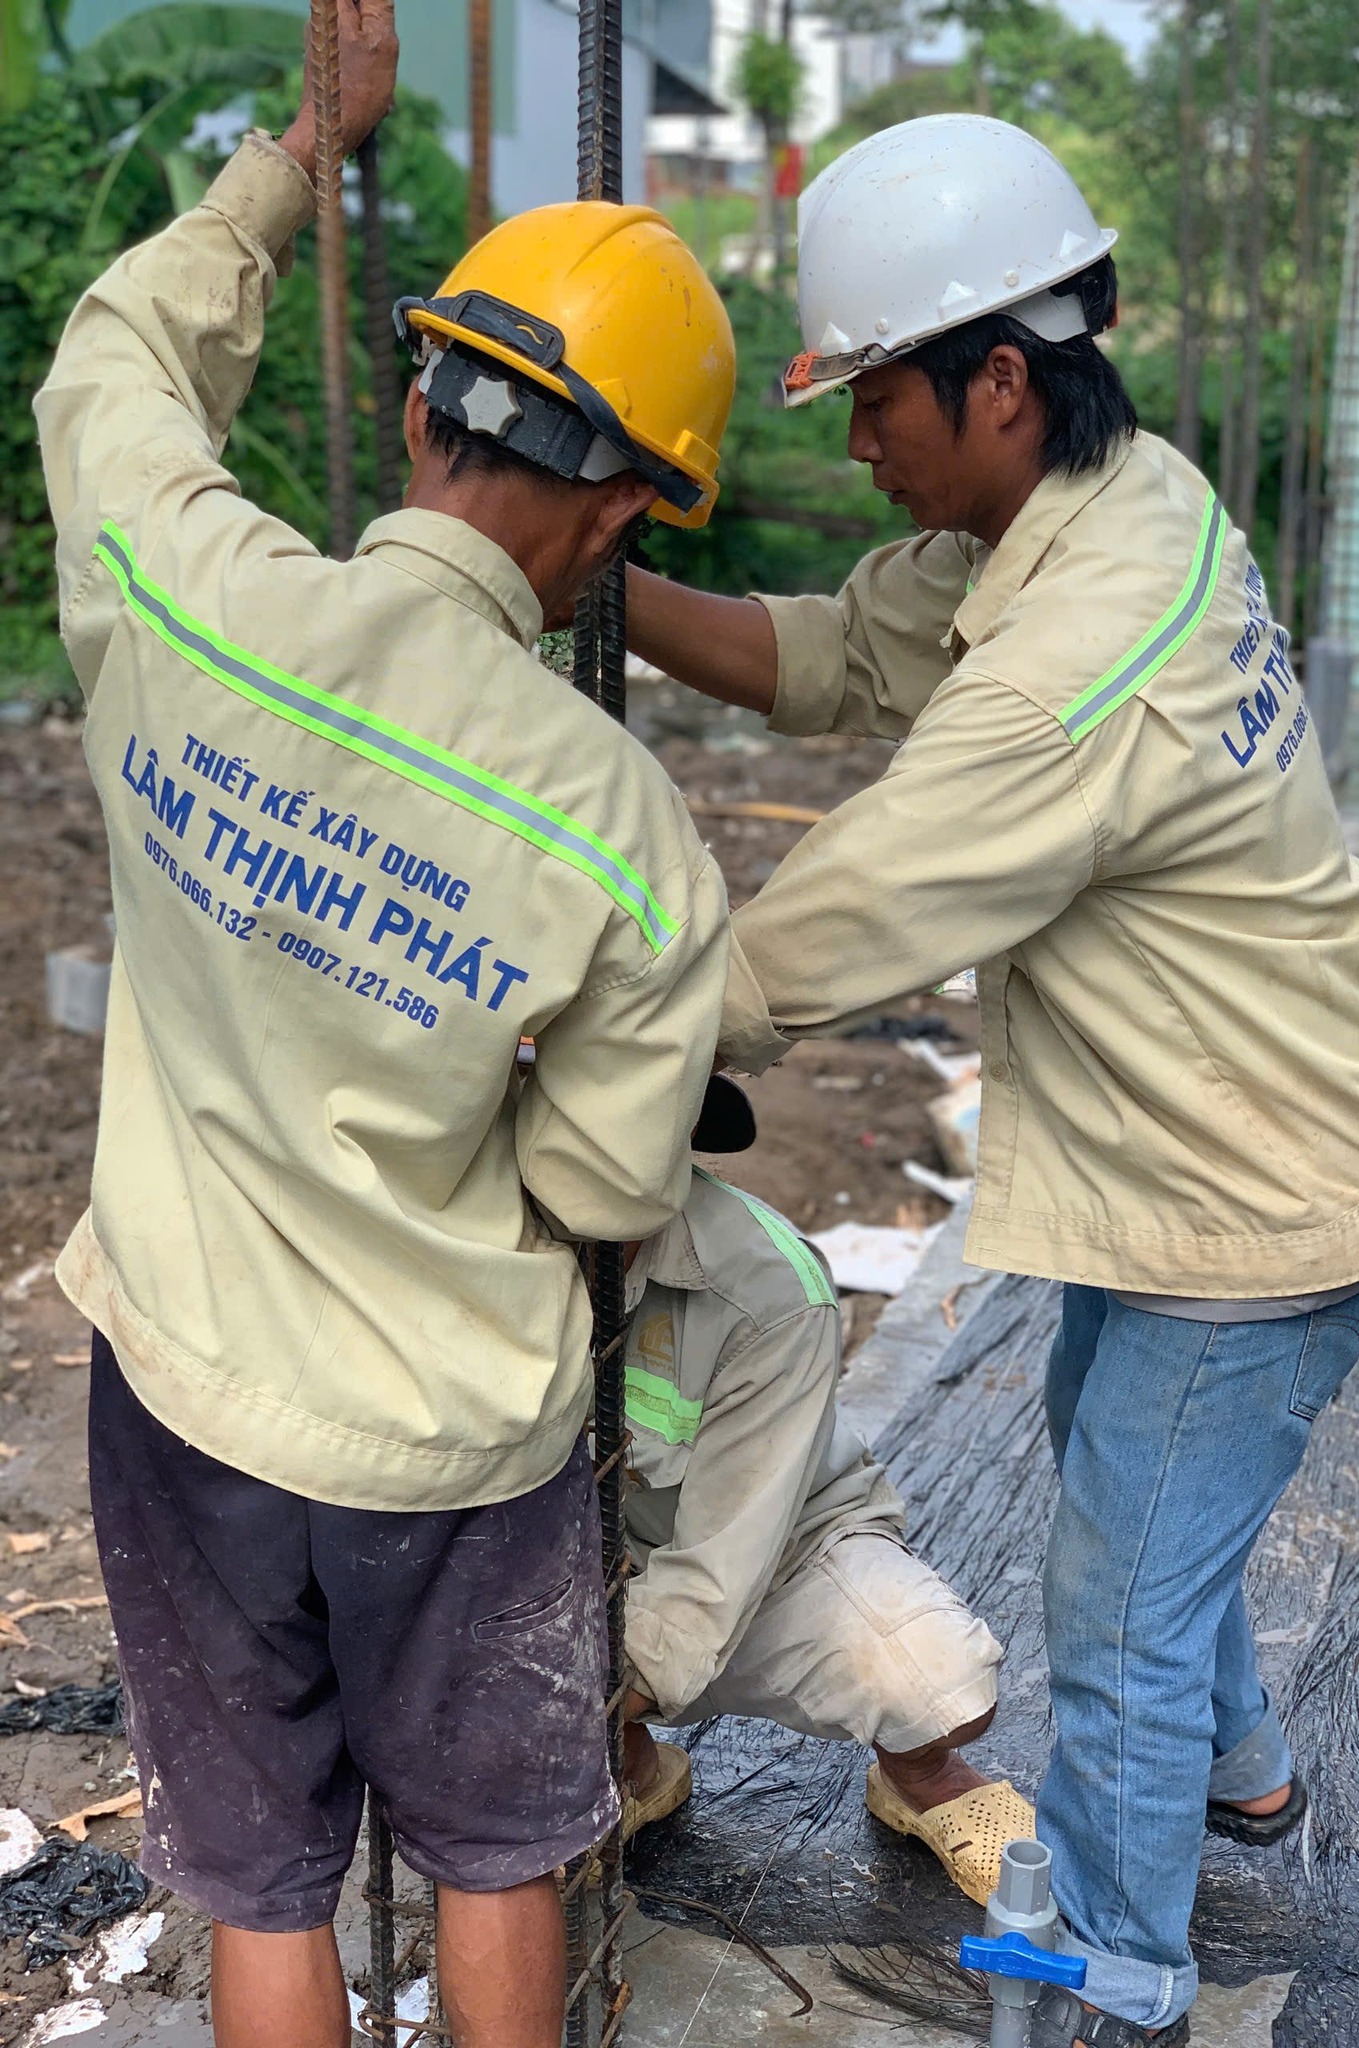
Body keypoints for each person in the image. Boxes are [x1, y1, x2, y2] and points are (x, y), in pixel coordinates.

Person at [624, 115, 1359, 2048]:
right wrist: (593, 590)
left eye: (874, 396)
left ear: (999, 378)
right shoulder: (1125, 502)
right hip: (1243, 1139)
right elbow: (836, 653)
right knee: (1110, 1447)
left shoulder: (1074, 669)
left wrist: (603, 1034)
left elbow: (839, 923)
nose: (855, 443)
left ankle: (1121, 1962)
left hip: (1254, 1206)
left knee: (1122, 1595)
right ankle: (1243, 1769)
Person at [34, 6, 735, 2045]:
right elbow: (600, 1185)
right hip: (453, 1434)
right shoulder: (627, 836)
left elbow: (114, 358)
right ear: (623, 518)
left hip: (187, 1378)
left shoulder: (189, 595)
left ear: (428, 406)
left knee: (262, 1873)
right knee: (499, 1848)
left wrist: (300, 156)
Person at [617, 1077, 1033, 1905]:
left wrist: (590, 1695)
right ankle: (631, 1765)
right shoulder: (488, 1248)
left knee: (942, 1685)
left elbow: (719, 1566)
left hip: (779, 1554)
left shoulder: (766, 1285)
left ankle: (920, 1770)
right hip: (585, 1565)